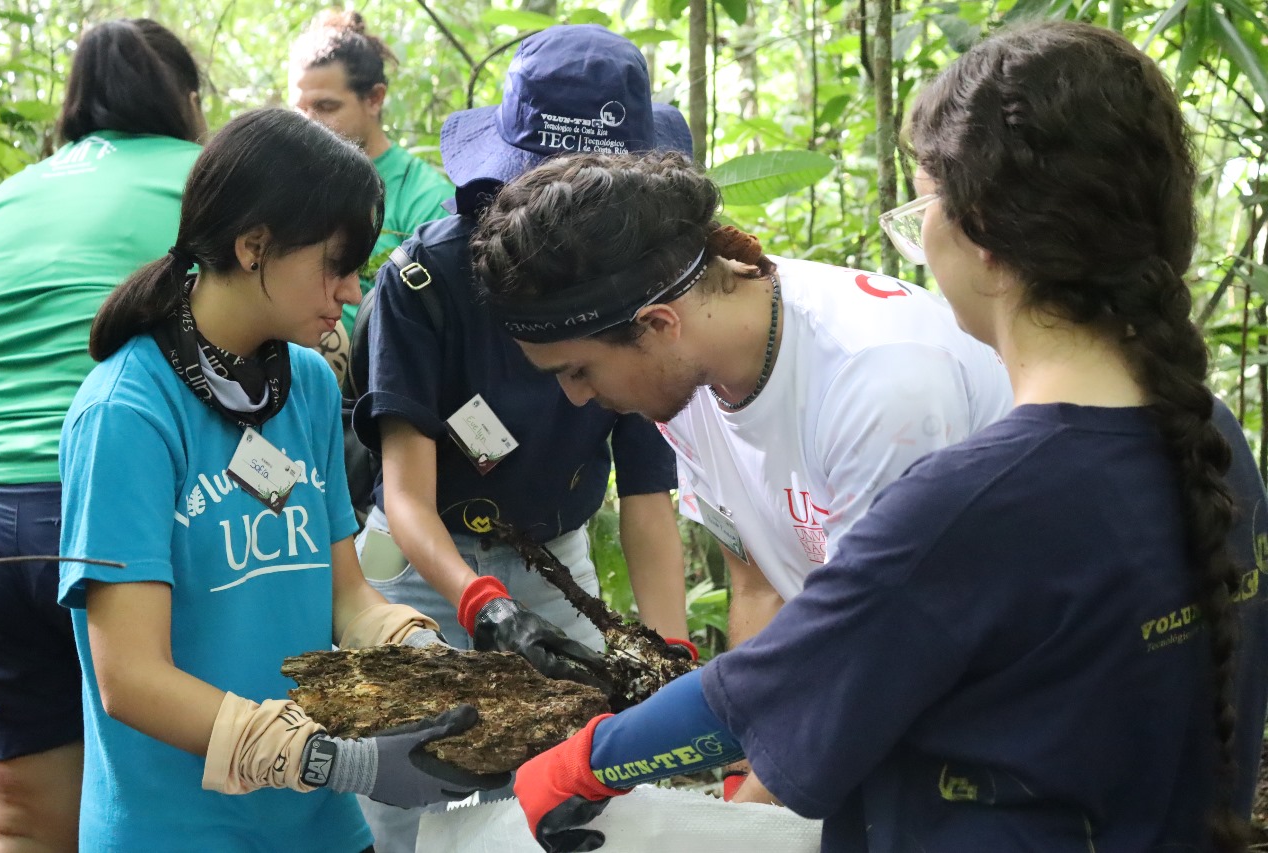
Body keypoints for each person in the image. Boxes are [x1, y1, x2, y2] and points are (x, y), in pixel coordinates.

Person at [484, 21, 1268, 852]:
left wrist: (585, 762)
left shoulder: (971, 500)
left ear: (989, 245)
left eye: (925, 203)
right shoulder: (1210, 442)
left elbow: (789, 683)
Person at [56, 108, 507, 853]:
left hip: (316, 825)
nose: (353, 291)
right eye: (335, 264)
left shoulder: (306, 383)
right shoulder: (125, 413)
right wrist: (335, 758)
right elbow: (129, 678)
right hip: (177, 830)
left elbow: (344, 591)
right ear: (254, 246)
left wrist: (423, 659)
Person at [350, 24, 694, 850]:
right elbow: (404, 492)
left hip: (552, 563)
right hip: (419, 572)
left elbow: (649, 498)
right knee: (405, 788)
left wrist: (671, 660)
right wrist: (479, 605)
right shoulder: (424, 282)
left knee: (572, 782)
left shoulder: (642, 297)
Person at [0, 19, 205, 852]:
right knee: (170, 804)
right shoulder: (205, 186)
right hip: (121, 516)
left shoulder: (11, 196)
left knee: (21, 819)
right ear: (187, 102)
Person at [289, 9, 453, 346]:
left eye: (326, 107)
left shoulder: (423, 199)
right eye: (298, 108)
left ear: (374, 99)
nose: (307, 123)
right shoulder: (283, 180)